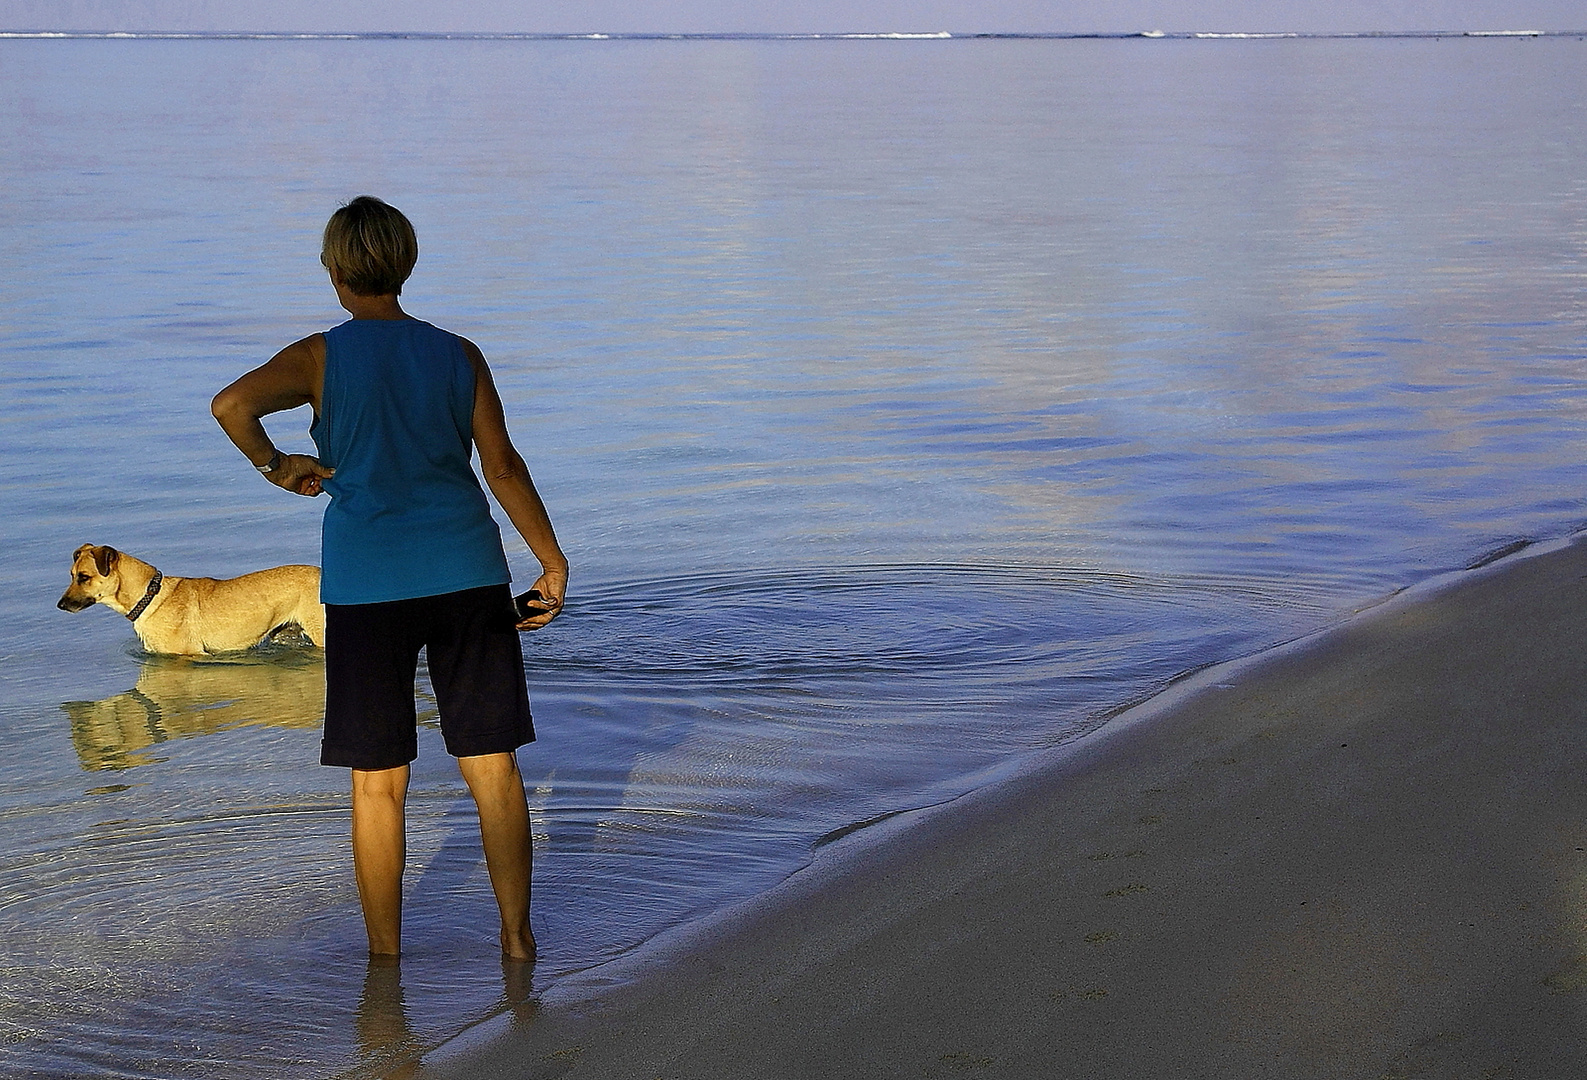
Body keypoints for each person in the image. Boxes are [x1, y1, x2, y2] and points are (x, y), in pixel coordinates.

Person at [211, 195, 567, 962]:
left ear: (336, 272)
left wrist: (277, 467)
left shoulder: (318, 357)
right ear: (403, 266)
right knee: (491, 765)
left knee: (378, 784)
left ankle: (384, 960)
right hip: (467, 575)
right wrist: (551, 559)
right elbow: (500, 467)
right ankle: (515, 939)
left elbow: (232, 405)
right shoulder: (457, 353)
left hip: (367, 587)